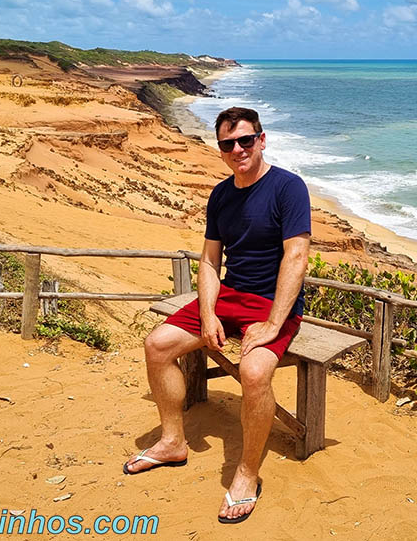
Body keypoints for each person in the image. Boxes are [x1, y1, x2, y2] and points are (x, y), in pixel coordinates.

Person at [123, 106, 311, 524]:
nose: (238, 149)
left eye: (246, 140)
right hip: (228, 298)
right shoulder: (222, 194)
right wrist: (208, 313)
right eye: (229, 143)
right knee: (156, 345)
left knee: (255, 372)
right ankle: (173, 442)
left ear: (262, 140)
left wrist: (275, 323)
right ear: (221, 150)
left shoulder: (288, 188)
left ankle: (248, 472)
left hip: (272, 304)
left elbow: (296, 257)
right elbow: (210, 260)